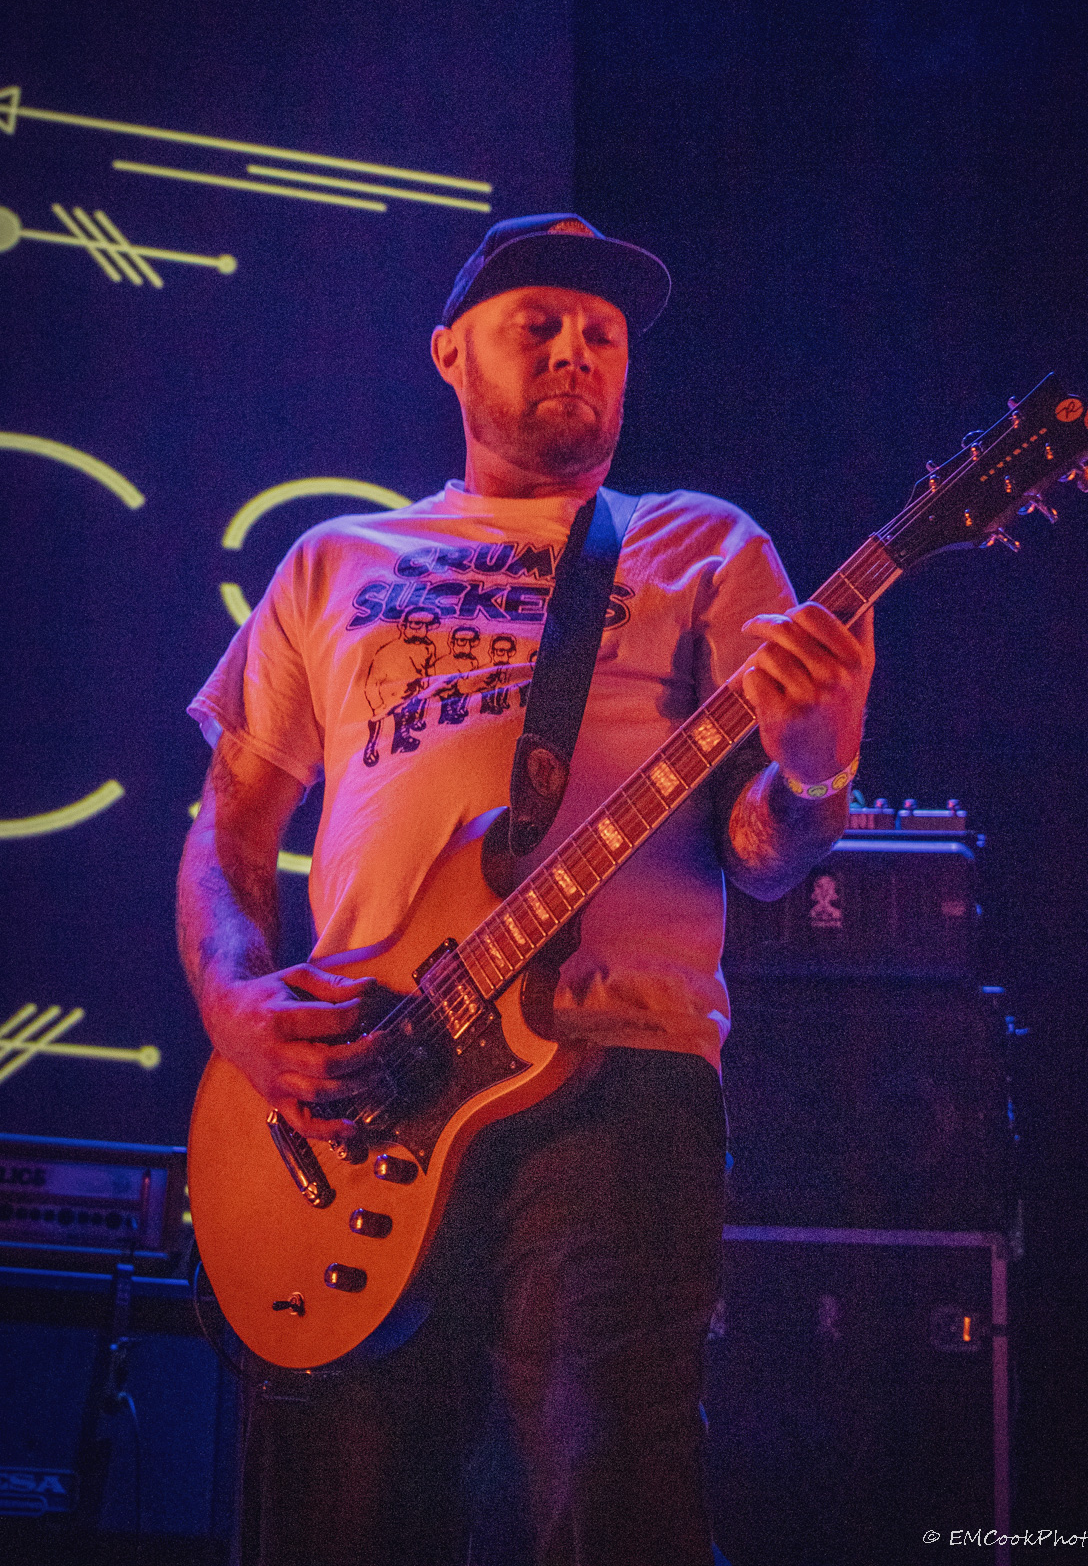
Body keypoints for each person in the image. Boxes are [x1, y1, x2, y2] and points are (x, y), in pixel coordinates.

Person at [176, 213, 874, 1566]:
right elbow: (231, 830)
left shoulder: (703, 546)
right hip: (365, 1086)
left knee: (619, 1499)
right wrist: (235, 1005)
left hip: (617, 1082)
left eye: (602, 334)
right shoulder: (334, 559)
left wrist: (817, 765)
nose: (576, 350)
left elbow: (763, 853)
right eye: (538, 323)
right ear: (449, 353)